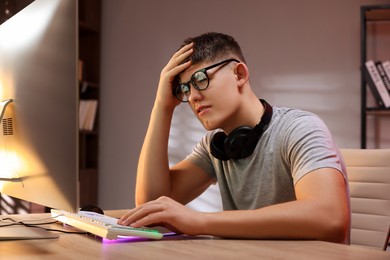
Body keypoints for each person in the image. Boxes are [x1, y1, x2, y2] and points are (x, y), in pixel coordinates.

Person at [118, 32, 350, 244]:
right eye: (185, 90)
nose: (193, 97)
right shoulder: (215, 147)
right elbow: (152, 205)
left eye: (200, 80)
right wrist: (162, 106)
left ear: (239, 74)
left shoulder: (300, 129)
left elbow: (330, 218)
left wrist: (200, 221)